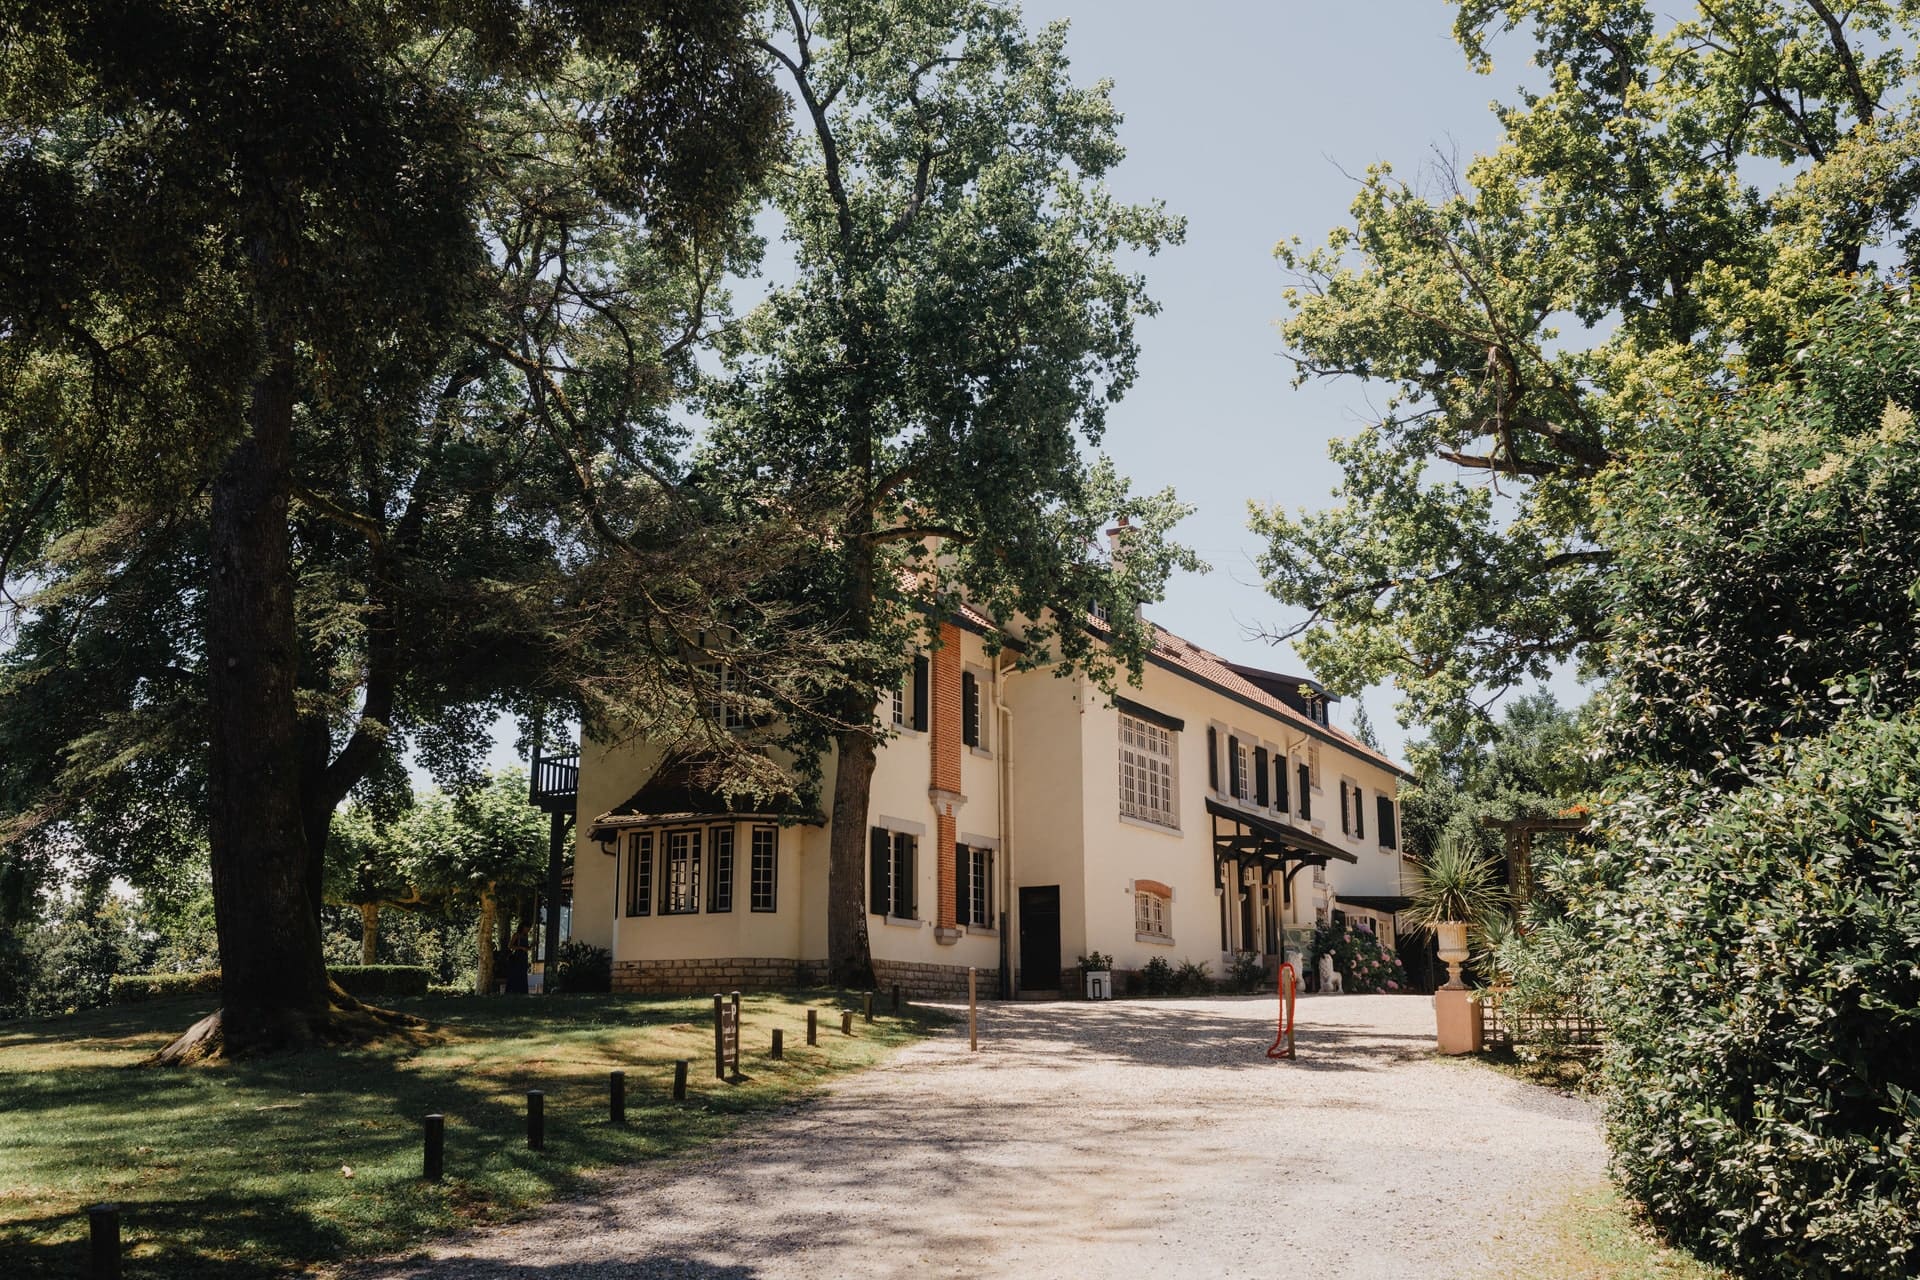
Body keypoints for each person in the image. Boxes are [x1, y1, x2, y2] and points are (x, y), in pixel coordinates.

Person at [506, 923, 532, 994]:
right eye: (527, 928)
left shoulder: (526, 936)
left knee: (523, 974)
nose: (528, 930)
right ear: (523, 927)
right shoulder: (516, 935)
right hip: (518, 956)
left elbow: (527, 947)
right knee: (516, 973)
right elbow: (510, 946)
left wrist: (531, 946)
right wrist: (521, 948)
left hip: (524, 957)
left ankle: (522, 991)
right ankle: (513, 990)